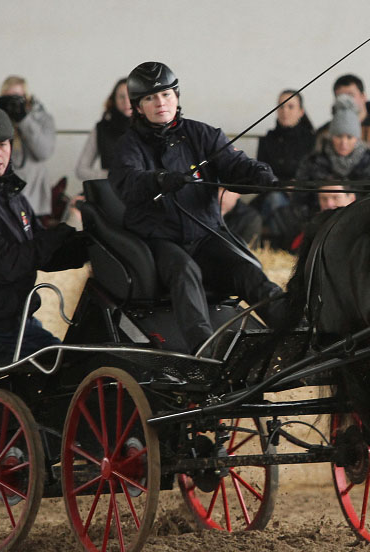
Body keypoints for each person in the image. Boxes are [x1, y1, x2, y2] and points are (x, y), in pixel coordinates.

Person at [109, 61, 288, 353]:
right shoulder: (128, 146)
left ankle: (294, 328)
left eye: (166, 95)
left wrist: (260, 176)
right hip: (159, 239)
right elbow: (127, 181)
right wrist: (159, 179)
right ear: (138, 107)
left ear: (177, 97)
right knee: (184, 271)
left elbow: (234, 165)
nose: (160, 103)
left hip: (205, 235)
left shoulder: (202, 135)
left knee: (248, 271)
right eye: (150, 98)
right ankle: (206, 350)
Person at [0, 106, 88, 364]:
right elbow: (5, 265)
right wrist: (66, 227)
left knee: (68, 362)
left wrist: (91, 247)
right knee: (65, 365)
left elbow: (41, 253)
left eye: (2, 144)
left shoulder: (9, 193)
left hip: (15, 318)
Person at [294, 94, 370, 210]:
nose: (343, 143)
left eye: (349, 137)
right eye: (339, 136)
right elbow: (299, 199)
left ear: (357, 139)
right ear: (331, 136)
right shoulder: (313, 162)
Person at [0, 76, 57, 219]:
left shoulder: (42, 118)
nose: (13, 103)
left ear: (27, 97)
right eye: (9, 98)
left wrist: (24, 119)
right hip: (3, 197)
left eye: (18, 97)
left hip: (34, 198)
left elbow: (44, 152)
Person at [254, 90, 317, 222]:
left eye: (290, 106)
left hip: (303, 197)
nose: (285, 111)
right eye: (281, 106)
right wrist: (282, 186)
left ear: (301, 111)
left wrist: (298, 186)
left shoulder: (311, 140)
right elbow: (261, 174)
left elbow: (315, 172)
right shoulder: (267, 140)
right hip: (272, 193)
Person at [76, 78, 132, 181]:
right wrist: (111, 175)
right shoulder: (101, 128)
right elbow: (81, 170)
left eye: (130, 96)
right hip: (111, 191)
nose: (127, 102)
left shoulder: (150, 127)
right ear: (114, 99)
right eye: (121, 97)